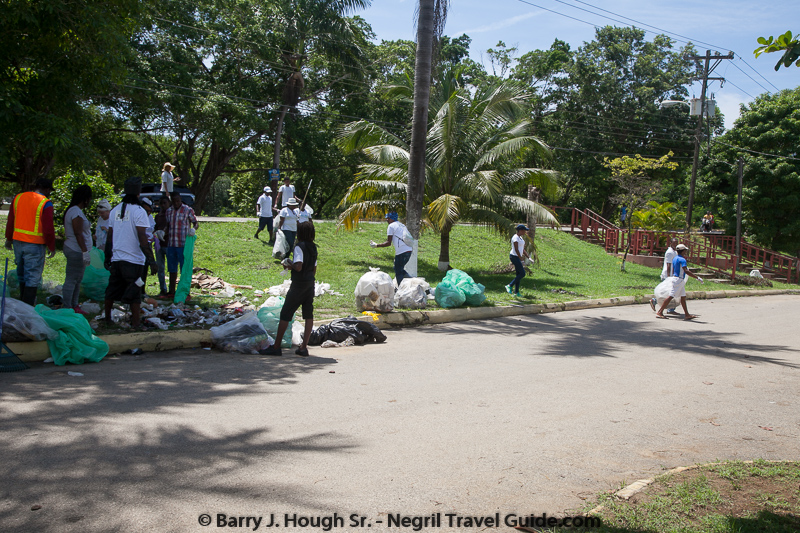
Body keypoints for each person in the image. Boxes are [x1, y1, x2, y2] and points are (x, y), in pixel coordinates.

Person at [104, 178, 157, 329]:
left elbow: (109, 236)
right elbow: (142, 238)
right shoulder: (139, 211)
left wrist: (107, 256)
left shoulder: (114, 210)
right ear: (138, 193)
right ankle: (136, 323)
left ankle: (107, 319)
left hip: (117, 258)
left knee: (111, 290)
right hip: (134, 260)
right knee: (135, 292)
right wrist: (151, 260)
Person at [260, 221, 318, 357]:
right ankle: (303, 348)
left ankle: (276, 347)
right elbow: (314, 268)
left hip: (298, 285)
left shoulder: (299, 247)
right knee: (308, 314)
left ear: (300, 233)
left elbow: (298, 266)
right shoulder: (313, 247)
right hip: (310, 283)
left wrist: (288, 262)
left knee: (286, 313)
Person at [4, 179, 56, 305]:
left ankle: (23, 303)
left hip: (18, 242)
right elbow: (48, 228)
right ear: (46, 189)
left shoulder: (18, 198)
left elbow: (11, 220)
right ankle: (28, 306)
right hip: (35, 244)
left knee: (21, 273)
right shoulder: (45, 203)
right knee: (32, 277)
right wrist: (51, 246)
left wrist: (9, 239)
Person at [61, 185, 93, 314]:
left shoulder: (75, 211)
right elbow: (78, 233)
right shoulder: (76, 212)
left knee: (77, 279)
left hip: (77, 249)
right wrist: (84, 251)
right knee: (72, 279)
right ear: (85, 199)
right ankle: (67, 306)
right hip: (76, 250)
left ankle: (74, 305)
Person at [655, 244, 704, 320]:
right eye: (685, 250)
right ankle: (660, 312)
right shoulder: (682, 259)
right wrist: (697, 277)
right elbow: (686, 271)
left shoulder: (675, 258)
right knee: (671, 296)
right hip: (679, 280)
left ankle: (687, 314)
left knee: (683, 297)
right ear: (683, 251)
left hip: (677, 279)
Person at [163, 190, 198, 298]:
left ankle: (185, 292)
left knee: (184, 269)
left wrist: (193, 229)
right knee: (172, 269)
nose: (176, 203)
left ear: (180, 199)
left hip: (183, 245)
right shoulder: (169, 211)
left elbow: (195, 223)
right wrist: (163, 232)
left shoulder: (188, 210)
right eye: (174, 201)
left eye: (178, 201)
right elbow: (168, 226)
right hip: (172, 244)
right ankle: (172, 291)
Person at [370, 212, 412, 286]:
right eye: (386, 218)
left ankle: (401, 288)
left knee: (398, 271)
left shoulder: (391, 226)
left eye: (388, 218)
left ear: (393, 218)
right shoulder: (401, 225)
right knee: (398, 269)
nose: (387, 219)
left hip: (401, 251)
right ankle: (411, 281)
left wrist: (376, 245)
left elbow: (388, 243)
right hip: (409, 250)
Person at [650, 237, 679, 314]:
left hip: (673, 275)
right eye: (674, 243)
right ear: (670, 243)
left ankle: (671, 309)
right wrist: (669, 277)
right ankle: (655, 301)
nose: (675, 244)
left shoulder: (675, 252)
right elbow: (668, 265)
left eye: (676, 243)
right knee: (667, 293)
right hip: (668, 275)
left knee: (670, 293)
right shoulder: (669, 252)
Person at [506, 224, 531, 296]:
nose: (525, 232)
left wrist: (528, 257)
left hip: (517, 257)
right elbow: (516, 250)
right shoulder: (515, 238)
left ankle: (516, 292)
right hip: (514, 256)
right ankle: (509, 285)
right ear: (520, 230)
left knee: (518, 274)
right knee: (522, 273)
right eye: (524, 230)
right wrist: (521, 259)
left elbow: (522, 249)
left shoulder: (520, 238)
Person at [153, 196, 171, 296]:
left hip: (169, 244)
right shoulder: (158, 216)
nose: (163, 205)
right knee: (160, 268)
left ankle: (171, 289)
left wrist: (164, 233)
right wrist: (156, 233)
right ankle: (163, 289)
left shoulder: (171, 215)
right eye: (161, 203)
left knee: (171, 268)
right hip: (159, 245)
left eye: (165, 203)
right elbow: (155, 228)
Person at [140, 197, 156, 297]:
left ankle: (142, 290)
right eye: (147, 211)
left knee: (145, 268)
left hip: (148, 245)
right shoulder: (139, 216)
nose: (148, 213)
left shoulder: (150, 218)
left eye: (150, 211)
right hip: (139, 246)